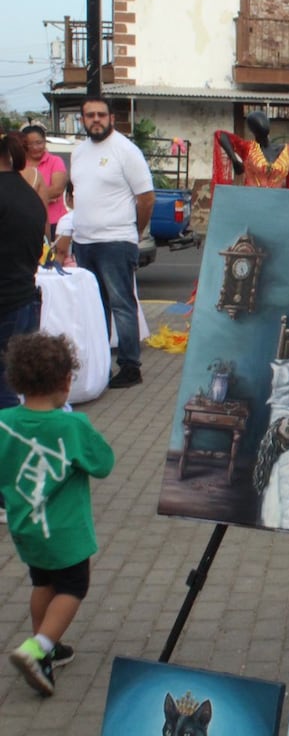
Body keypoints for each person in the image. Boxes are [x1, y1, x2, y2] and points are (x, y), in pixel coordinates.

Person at [1, 332, 115, 696]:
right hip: (65, 532)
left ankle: (46, 647)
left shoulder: (3, 422)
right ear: (67, 381)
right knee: (73, 586)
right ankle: (37, 649)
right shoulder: (72, 426)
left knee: (43, 583)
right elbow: (103, 464)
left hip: (26, 528)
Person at [69, 97, 155, 389]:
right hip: (84, 242)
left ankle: (131, 366)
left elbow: (146, 198)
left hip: (116, 241)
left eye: (101, 115)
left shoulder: (125, 151)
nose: (96, 119)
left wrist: (134, 231)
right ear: (82, 119)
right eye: (89, 115)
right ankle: (100, 364)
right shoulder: (79, 153)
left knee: (121, 305)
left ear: (111, 118)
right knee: (96, 308)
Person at [1, 132, 48, 412]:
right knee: (20, 380)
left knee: (4, 387)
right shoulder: (27, 194)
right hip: (23, 297)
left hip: (7, 301)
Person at [213, 111, 289, 189]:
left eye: (264, 121)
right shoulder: (248, 148)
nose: (262, 125)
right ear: (252, 130)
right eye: (256, 124)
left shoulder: (288, 152)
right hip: (251, 201)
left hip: (277, 202)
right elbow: (220, 135)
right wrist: (235, 161)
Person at [21, 125, 68, 236]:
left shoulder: (55, 161)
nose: (35, 147)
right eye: (30, 144)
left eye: (39, 143)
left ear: (45, 141)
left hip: (54, 223)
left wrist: (25, 200)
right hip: (27, 223)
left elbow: (57, 189)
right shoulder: (19, 164)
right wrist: (46, 197)